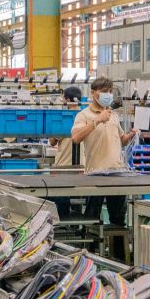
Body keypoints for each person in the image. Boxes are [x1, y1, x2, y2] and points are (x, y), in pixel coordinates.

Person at [70, 77, 139, 226]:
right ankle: (90, 248)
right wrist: (97, 120)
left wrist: (131, 135)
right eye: (103, 91)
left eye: (109, 91)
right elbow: (75, 138)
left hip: (116, 173)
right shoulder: (83, 115)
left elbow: (121, 140)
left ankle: (118, 249)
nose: (107, 94)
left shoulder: (113, 115)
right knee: (92, 218)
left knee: (118, 219)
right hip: (95, 174)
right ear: (93, 92)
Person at [50, 86, 84, 220]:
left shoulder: (63, 118)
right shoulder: (86, 117)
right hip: (83, 166)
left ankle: (63, 223)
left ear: (67, 100)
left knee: (61, 196)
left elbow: (52, 141)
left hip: (63, 166)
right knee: (80, 196)